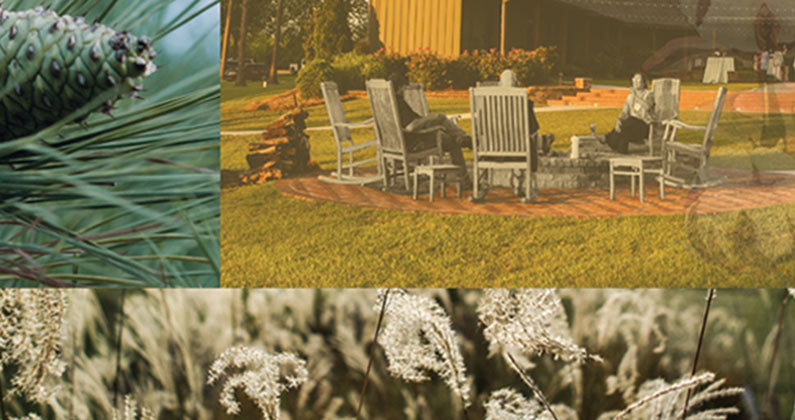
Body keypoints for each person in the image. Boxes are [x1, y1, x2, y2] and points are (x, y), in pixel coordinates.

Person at [387, 73, 469, 180]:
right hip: (414, 144)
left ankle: (464, 138)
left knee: (442, 123)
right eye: (404, 87)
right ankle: (464, 179)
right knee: (453, 142)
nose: (405, 91)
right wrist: (430, 119)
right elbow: (411, 127)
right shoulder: (399, 103)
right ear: (399, 87)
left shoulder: (387, 103)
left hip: (395, 143)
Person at [496, 70, 554, 154]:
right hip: (518, 146)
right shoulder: (523, 102)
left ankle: (543, 140)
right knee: (531, 135)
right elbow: (533, 128)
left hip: (496, 146)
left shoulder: (490, 103)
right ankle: (543, 140)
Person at [597, 73, 655, 154]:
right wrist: (618, 121)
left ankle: (607, 137)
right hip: (629, 127)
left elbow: (647, 107)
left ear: (643, 83)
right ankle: (621, 150)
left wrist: (635, 95)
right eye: (634, 79)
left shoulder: (649, 94)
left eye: (638, 80)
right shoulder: (630, 97)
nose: (635, 82)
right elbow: (624, 112)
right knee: (621, 136)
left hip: (644, 126)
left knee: (630, 121)